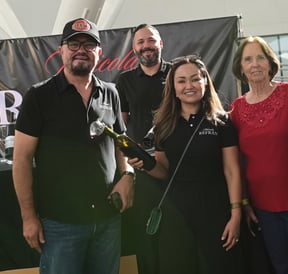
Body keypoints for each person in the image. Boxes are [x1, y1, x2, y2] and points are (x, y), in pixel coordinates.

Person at [12, 18, 134, 274]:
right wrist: (28, 217)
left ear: (99, 53)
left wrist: (127, 175)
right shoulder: (39, 96)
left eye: (89, 45)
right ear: (62, 50)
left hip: (107, 220)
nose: (81, 50)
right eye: (74, 44)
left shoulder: (110, 92)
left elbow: (120, 144)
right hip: (60, 225)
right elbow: (21, 159)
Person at [129, 56, 245, 274]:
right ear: (173, 87)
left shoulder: (222, 122)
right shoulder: (163, 125)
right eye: (181, 81)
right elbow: (164, 172)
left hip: (216, 214)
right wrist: (145, 164)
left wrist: (236, 215)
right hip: (177, 216)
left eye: (195, 79)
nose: (189, 86)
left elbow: (232, 171)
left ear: (205, 82)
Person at [230, 36, 288, 274]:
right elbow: (237, 161)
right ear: (240, 67)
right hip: (263, 208)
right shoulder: (237, 109)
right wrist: (245, 201)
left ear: (270, 63)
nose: (255, 64)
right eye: (248, 59)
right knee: (281, 267)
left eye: (260, 57)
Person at [115, 23, 171, 274]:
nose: (146, 46)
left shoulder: (177, 73)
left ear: (160, 44)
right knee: (145, 235)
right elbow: (120, 126)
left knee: (176, 230)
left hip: (176, 164)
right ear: (134, 48)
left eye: (151, 40)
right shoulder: (125, 80)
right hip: (140, 167)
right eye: (140, 42)